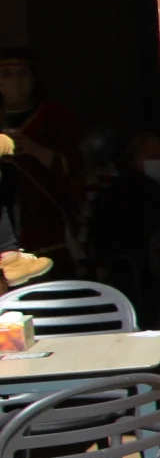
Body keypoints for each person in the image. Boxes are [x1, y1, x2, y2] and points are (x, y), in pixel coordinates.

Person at [0, 50, 78, 287]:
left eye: (22, 74)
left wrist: (33, 148)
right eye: (6, 74)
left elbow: (75, 166)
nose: (15, 81)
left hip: (44, 219)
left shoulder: (54, 116)